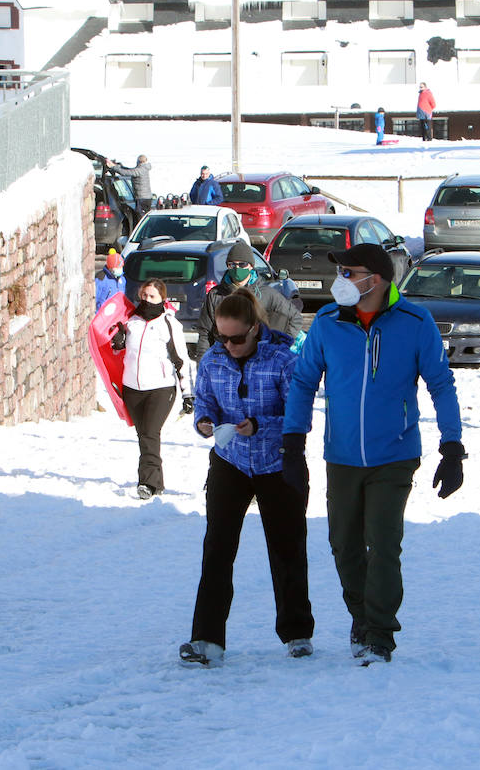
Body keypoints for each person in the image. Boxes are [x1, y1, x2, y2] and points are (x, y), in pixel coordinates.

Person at [281, 243, 464, 665]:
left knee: (382, 543)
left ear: (375, 279)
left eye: (349, 271)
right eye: (340, 271)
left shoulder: (415, 322)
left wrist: (452, 447)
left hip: (394, 453)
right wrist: (293, 440)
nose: (340, 279)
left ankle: (379, 633)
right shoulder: (328, 322)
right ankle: (362, 615)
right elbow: (304, 382)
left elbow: (441, 384)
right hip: (342, 454)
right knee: (343, 545)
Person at [180, 290, 313, 667]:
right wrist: (203, 421)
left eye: (237, 338)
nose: (229, 345)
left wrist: (260, 425)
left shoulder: (283, 361)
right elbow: (204, 399)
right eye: (221, 337)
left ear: (255, 329)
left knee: (287, 549)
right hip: (230, 461)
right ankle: (206, 638)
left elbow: (299, 417)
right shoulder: (212, 361)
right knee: (217, 549)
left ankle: (297, 632)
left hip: (277, 463)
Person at [111, 279, 188, 498]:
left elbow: (182, 360)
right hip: (132, 388)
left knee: (150, 433)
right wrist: (118, 340)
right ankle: (157, 481)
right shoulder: (131, 321)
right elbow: (118, 348)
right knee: (143, 434)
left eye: (152, 296)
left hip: (161, 388)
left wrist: (187, 393)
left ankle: (148, 484)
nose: (147, 300)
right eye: (144, 296)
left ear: (162, 299)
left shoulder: (169, 324)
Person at [195, 242, 302, 360]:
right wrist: (202, 364)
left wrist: (282, 346)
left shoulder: (266, 293)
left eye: (242, 264)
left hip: (258, 361)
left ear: (251, 266)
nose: (237, 268)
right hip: (225, 362)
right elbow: (205, 333)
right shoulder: (216, 295)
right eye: (232, 265)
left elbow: (295, 317)